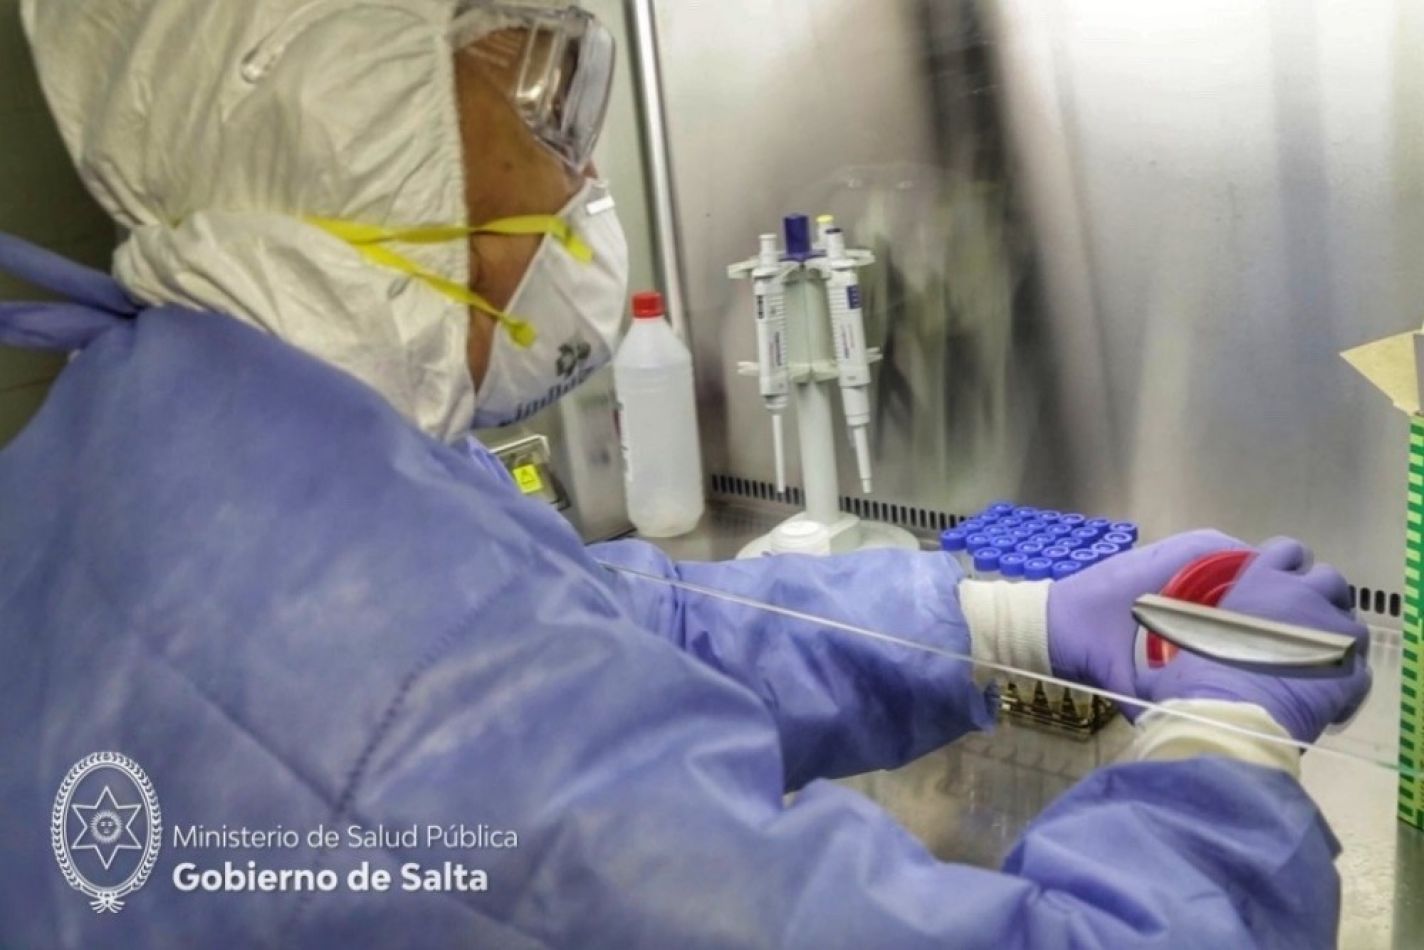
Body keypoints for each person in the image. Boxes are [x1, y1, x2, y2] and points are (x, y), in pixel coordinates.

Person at [0, 2, 1370, 947]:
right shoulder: (399, 723)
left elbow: (602, 630)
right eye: (543, 87)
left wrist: (997, 620)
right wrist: (1227, 749)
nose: (580, 165)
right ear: (339, 113)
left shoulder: (173, 434)